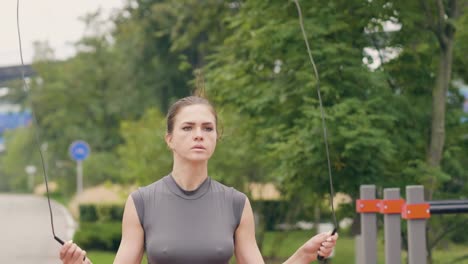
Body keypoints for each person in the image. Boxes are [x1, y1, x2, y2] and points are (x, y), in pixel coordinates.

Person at [59, 95, 338, 264]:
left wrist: (303, 255)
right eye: (188, 127)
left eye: (208, 128)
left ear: (216, 137)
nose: (199, 134)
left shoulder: (236, 203)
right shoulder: (141, 202)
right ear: (169, 139)